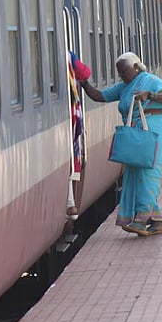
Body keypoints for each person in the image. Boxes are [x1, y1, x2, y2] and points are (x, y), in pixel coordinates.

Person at [80, 52, 162, 237]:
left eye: (124, 71)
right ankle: (156, 222)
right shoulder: (125, 87)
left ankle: (141, 220)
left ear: (136, 67)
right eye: (119, 72)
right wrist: (84, 83)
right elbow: (99, 96)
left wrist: (150, 95)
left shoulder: (151, 80)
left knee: (148, 173)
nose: (121, 75)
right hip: (136, 132)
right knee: (136, 173)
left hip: (152, 130)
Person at [66, 51, 91, 221]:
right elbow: (85, 73)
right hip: (70, 117)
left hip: (65, 117)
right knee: (70, 158)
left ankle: (70, 203)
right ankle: (70, 203)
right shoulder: (68, 55)